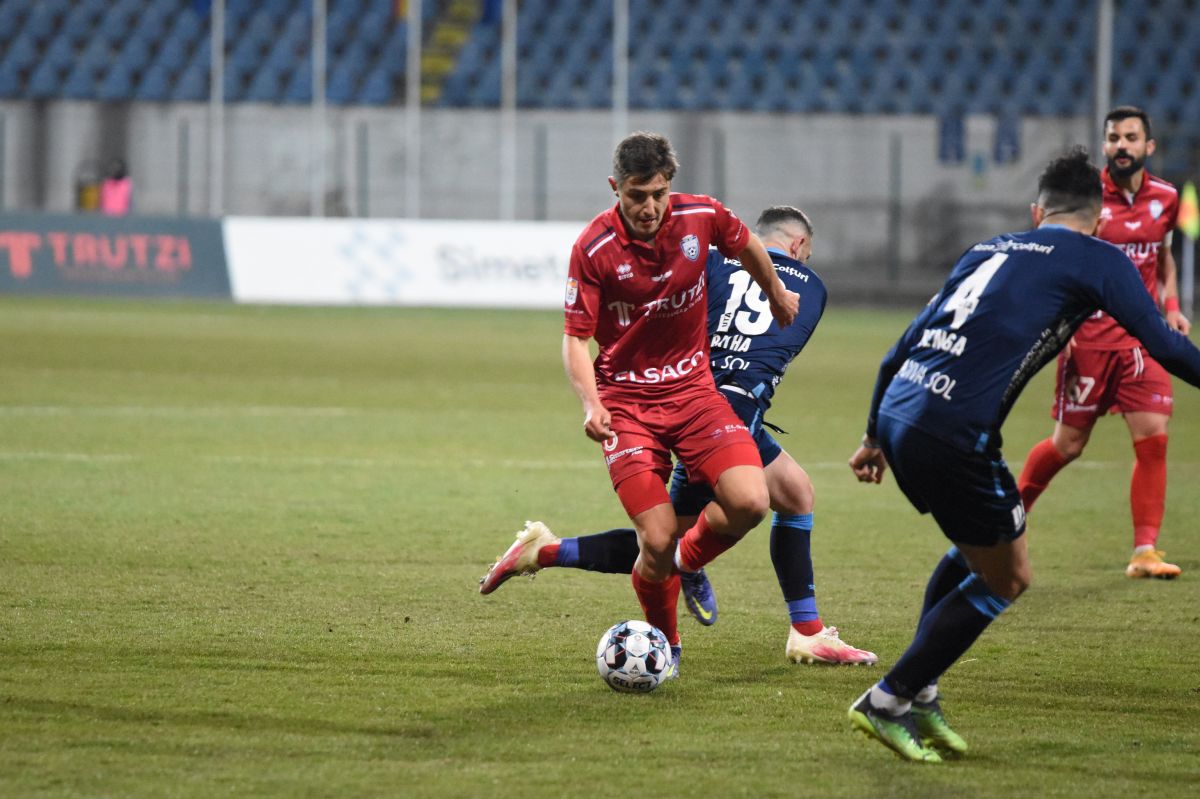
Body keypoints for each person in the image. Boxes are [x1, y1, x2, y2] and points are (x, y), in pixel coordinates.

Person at [845, 148, 1200, 763]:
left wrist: (875, 434)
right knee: (1010, 576)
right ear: (1100, 218)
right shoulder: (1099, 255)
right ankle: (889, 697)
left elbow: (895, 349)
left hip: (903, 411)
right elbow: (1165, 345)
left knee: (976, 549)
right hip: (954, 430)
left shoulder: (987, 249)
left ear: (1037, 211)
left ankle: (921, 691)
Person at [480, 207, 877, 666]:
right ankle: (567, 554)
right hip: (716, 412)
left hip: (685, 393)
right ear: (798, 247)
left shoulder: (706, 261)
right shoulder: (811, 287)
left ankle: (805, 630)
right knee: (669, 543)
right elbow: (765, 351)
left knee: (791, 492)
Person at [485, 132, 798, 676]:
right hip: (627, 405)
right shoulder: (594, 249)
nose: (649, 206)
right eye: (636, 195)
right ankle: (669, 647)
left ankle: (683, 564)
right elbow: (574, 338)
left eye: (657, 193)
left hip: (695, 393)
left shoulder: (701, 217)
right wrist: (591, 403)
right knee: (654, 538)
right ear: (616, 188)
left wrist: (773, 289)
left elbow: (746, 241)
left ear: (668, 186)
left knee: (750, 502)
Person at [1017, 107, 1189, 579]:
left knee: (1153, 438)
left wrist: (1171, 307)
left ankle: (1144, 551)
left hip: (1143, 340)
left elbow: (1164, 256)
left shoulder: (1167, 198)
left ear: (1149, 147)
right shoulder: (1086, 197)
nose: (1121, 146)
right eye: (1113, 138)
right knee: (1067, 445)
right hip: (1089, 339)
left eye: (1131, 137)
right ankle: (1005, 519)